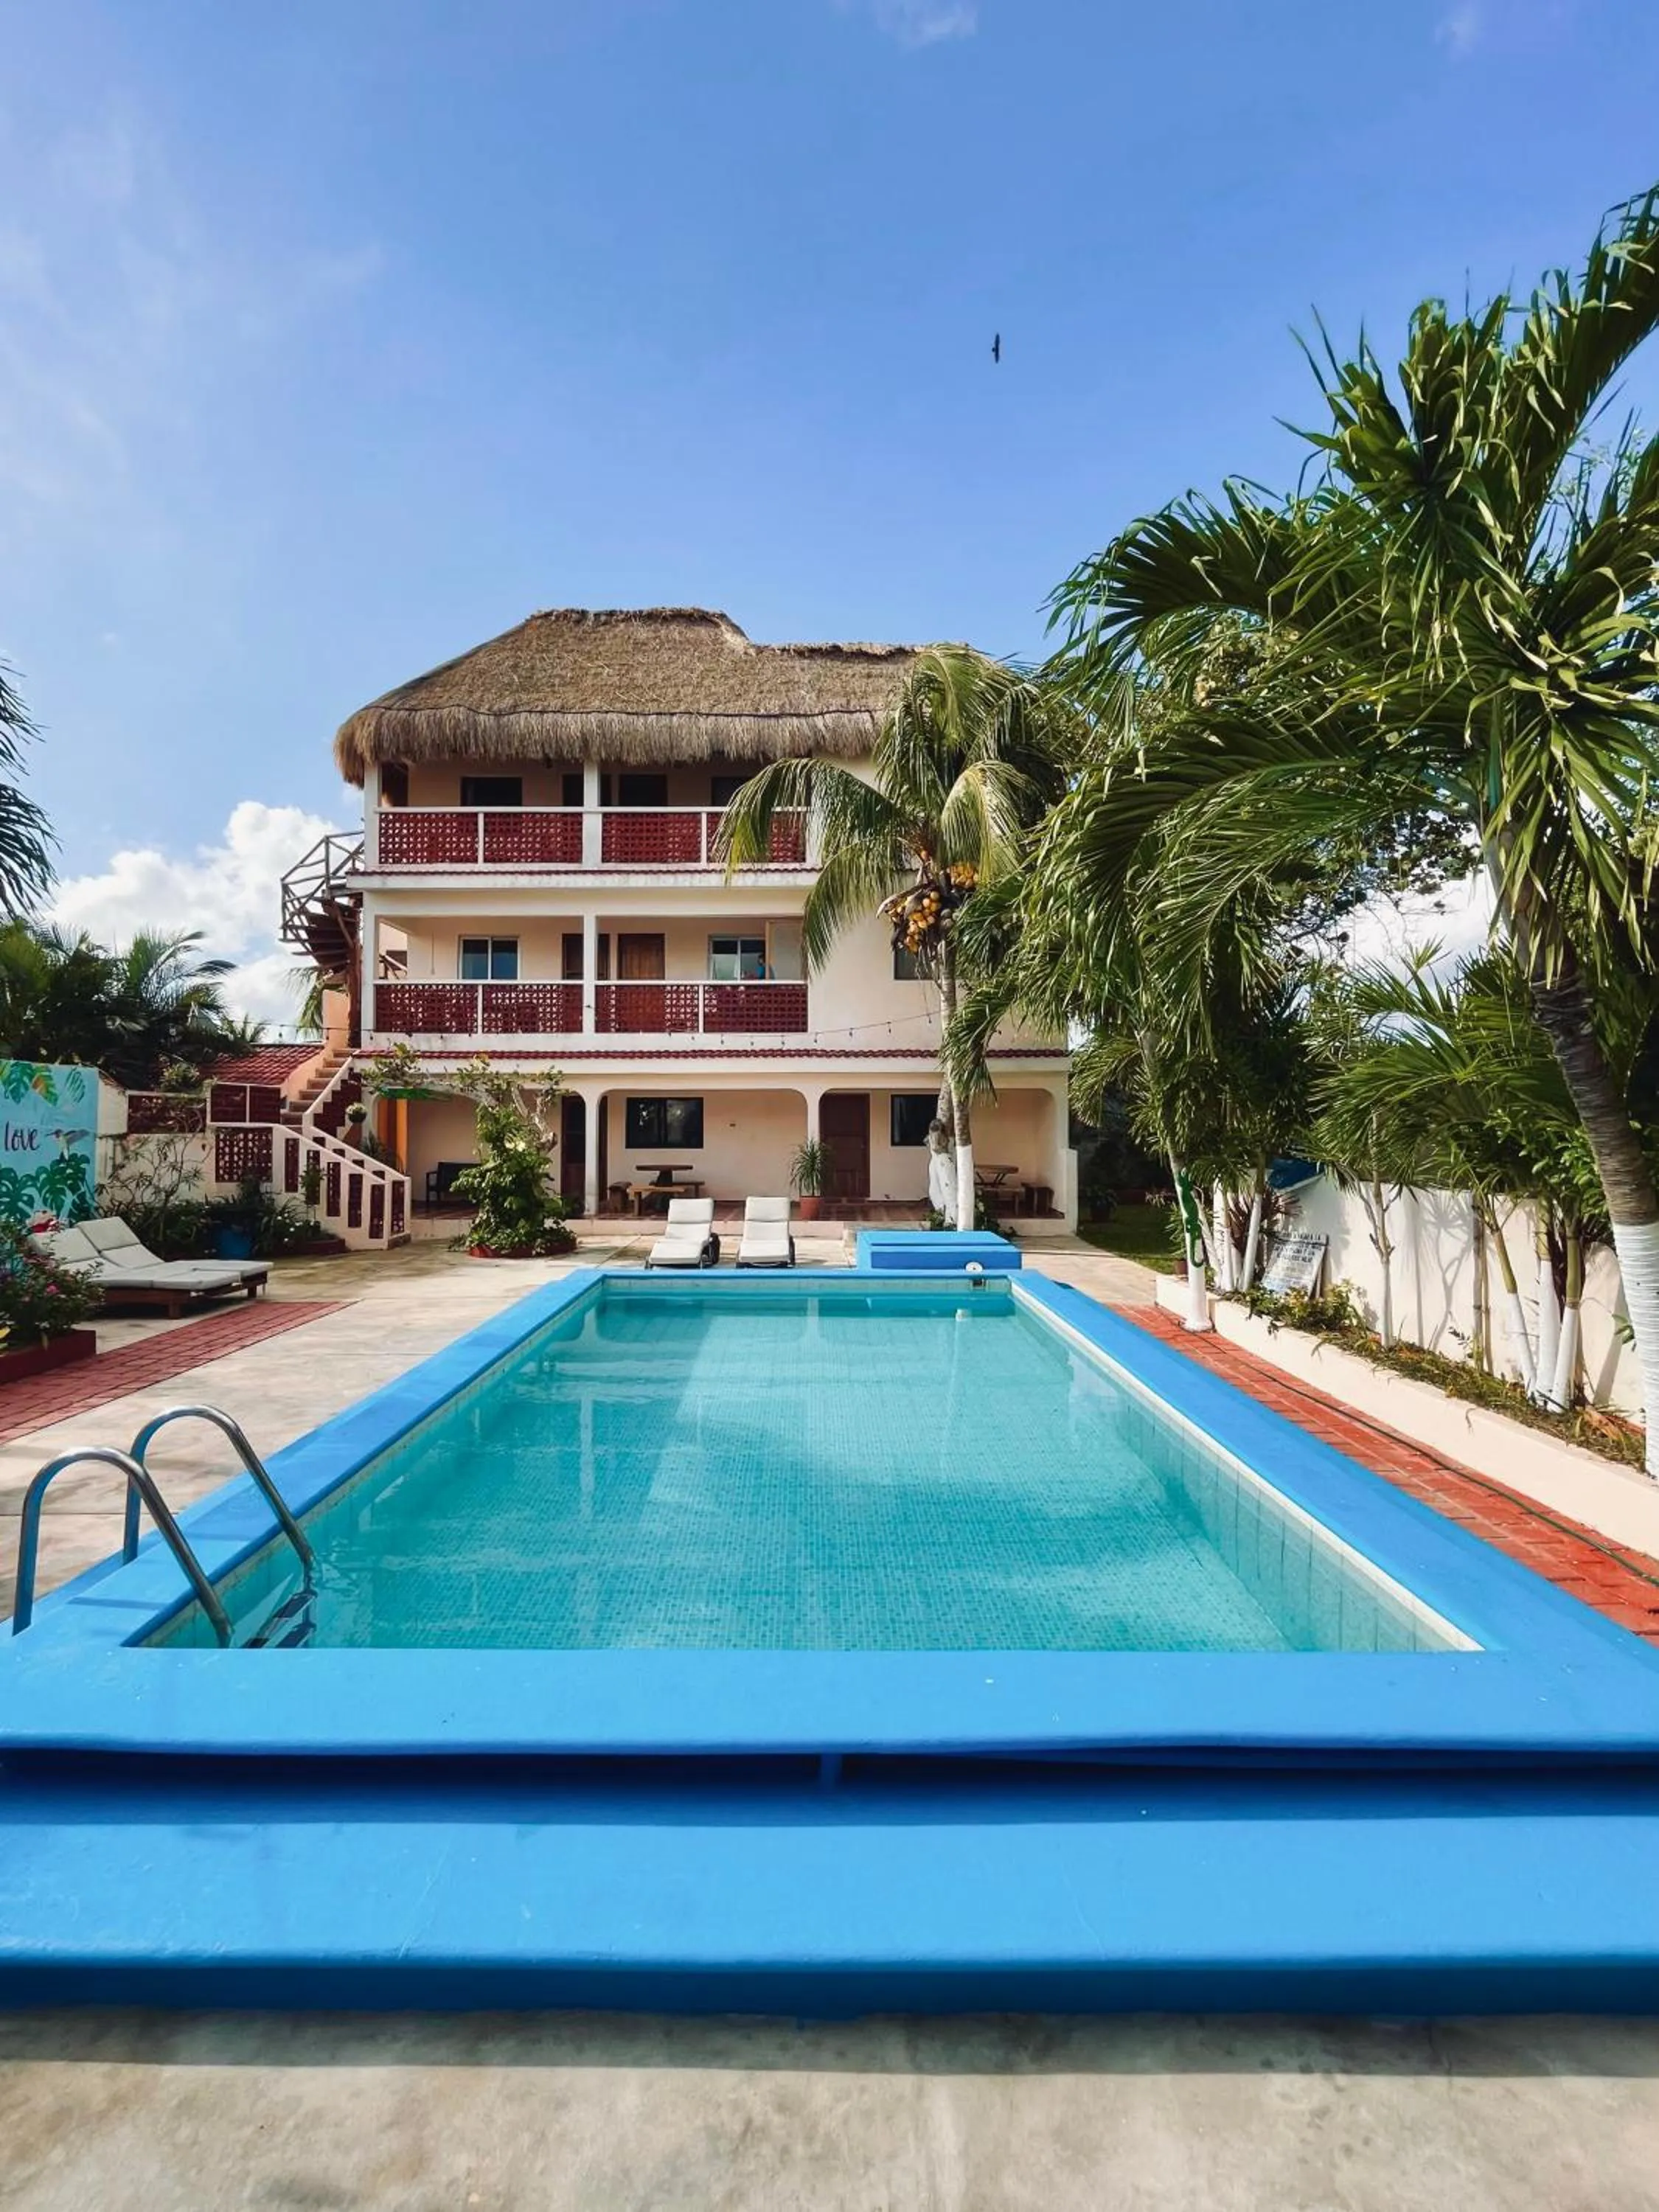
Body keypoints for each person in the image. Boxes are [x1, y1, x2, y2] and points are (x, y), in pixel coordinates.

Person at [925, 1117, 958, 1222]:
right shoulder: (932, 1137)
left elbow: (938, 1149)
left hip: (944, 1164)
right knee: (934, 1191)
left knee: (948, 1191)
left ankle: (950, 1218)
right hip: (936, 1164)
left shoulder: (948, 1140)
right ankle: (941, 1213)